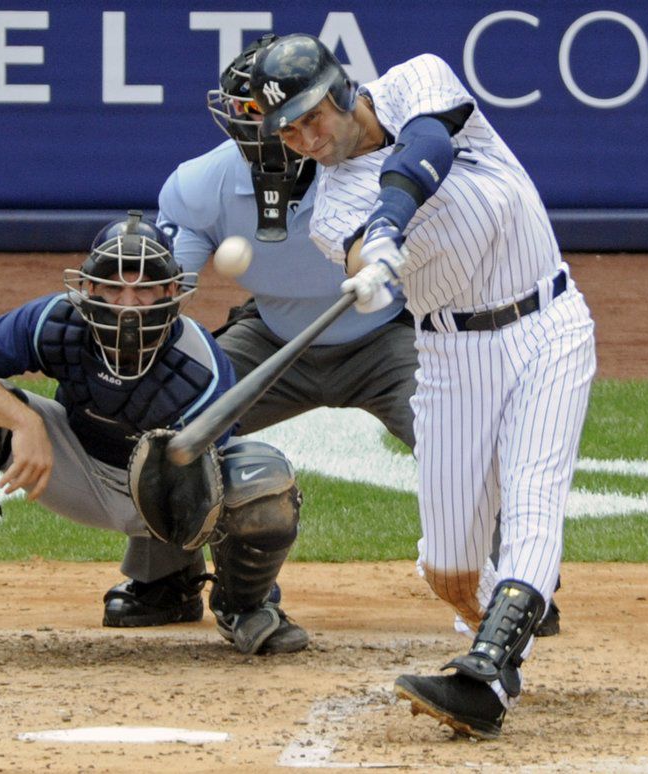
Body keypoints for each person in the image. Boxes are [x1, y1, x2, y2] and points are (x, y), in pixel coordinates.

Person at [250, 35, 596, 737]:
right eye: (288, 131)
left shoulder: (417, 81)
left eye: (313, 116)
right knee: (449, 566)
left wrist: (388, 225)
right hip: (450, 357)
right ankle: (512, 611)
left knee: (532, 495)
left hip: (548, 323)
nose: (307, 139)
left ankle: (490, 671)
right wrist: (367, 265)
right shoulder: (328, 209)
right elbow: (352, 254)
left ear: (342, 91)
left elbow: (425, 150)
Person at [101, 33, 419, 633]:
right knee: (176, 425)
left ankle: (512, 581)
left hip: (387, 336)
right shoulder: (205, 184)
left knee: (461, 427)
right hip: (273, 337)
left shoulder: (381, 164)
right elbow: (175, 275)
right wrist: (150, 292)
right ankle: (166, 579)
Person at [0, 210, 308, 655]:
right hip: (75, 468)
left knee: (261, 477)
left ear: (170, 292)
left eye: (143, 290)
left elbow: (198, 493)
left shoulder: (201, 369)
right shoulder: (55, 321)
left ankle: (240, 604)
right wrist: (22, 421)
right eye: (113, 287)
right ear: (88, 289)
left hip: (172, 499)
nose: (127, 304)